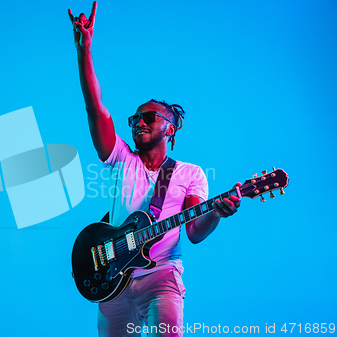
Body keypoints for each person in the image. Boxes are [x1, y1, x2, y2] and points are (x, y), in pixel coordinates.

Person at [68, 2, 241, 336]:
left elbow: (193, 231)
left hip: (161, 277)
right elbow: (95, 107)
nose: (139, 123)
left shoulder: (190, 173)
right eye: (135, 119)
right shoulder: (121, 158)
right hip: (114, 281)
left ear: (170, 128)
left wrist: (217, 213)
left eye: (149, 117)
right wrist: (84, 50)